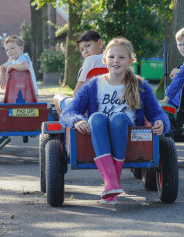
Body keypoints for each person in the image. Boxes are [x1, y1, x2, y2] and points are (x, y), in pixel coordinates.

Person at [60, 37, 170, 205]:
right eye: (111, 57)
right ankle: (111, 183)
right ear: (104, 60)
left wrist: (161, 122)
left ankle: (112, 182)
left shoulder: (140, 86)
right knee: (96, 117)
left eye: (121, 57)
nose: (116, 61)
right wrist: (76, 120)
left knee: (119, 119)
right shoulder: (93, 85)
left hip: (128, 136)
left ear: (130, 61)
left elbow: (157, 113)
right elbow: (69, 112)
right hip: (98, 134)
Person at [0, 35, 38, 154]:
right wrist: (2, 75)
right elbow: (1, 67)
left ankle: (0, 136)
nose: (9, 51)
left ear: (21, 48)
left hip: (29, 97)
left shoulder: (24, 58)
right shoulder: (12, 61)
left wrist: (10, 67)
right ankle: (2, 137)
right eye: (7, 49)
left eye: (12, 48)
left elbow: (24, 66)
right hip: (16, 97)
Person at [53, 30, 107, 113]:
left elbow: (78, 91)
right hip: (108, 105)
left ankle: (69, 123)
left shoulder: (91, 60)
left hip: (87, 108)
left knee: (57, 97)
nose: (85, 51)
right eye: (82, 49)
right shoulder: (114, 60)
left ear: (100, 43)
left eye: (88, 46)